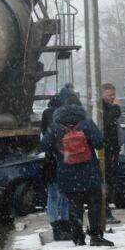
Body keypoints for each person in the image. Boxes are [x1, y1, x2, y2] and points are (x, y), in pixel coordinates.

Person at [40, 85, 114, 247]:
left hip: (67, 173)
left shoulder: (55, 126)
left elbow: (44, 145)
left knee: (75, 206)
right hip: (90, 172)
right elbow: (100, 143)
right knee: (94, 203)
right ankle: (95, 236)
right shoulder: (86, 123)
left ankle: (78, 237)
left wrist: (60, 150)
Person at [40, 93, 73, 240]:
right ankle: (64, 223)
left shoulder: (48, 115)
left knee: (53, 195)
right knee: (64, 195)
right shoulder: (65, 118)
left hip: (51, 161)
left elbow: (44, 139)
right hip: (65, 161)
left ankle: (56, 224)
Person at [100, 82, 122, 225]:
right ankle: (105, 212)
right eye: (109, 95)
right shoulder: (102, 108)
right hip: (106, 151)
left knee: (110, 182)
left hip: (111, 150)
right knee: (106, 182)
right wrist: (116, 108)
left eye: (113, 95)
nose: (112, 98)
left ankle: (106, 210)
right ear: (102, 95)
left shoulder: (109, 108)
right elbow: (106, 122)